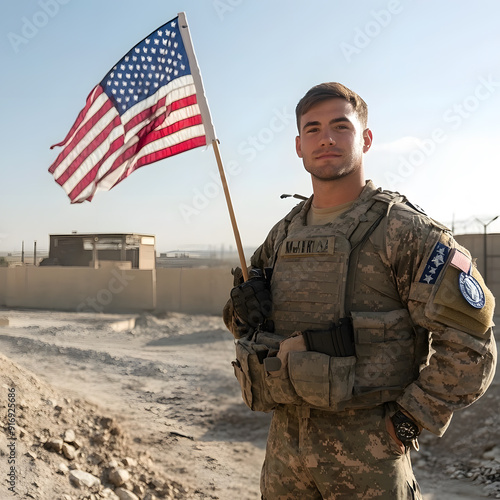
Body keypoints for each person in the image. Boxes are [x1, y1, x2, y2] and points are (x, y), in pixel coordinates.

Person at [223, 82, 497, 499]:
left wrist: (406, 423)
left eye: (340, 126)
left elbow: (470, 345)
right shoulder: (283, 234)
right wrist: (243, 312)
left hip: (369, 455)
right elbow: (239, 323)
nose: (326, 138)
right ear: (298, 146)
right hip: (286, 450)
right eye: (312, 129)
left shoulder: (404, 232)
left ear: (365, 138)